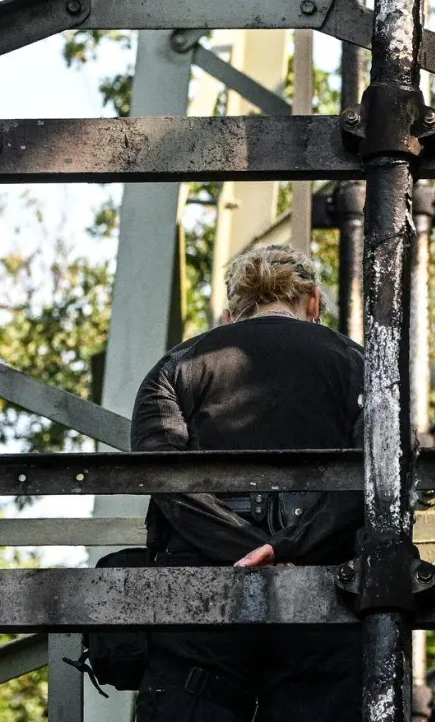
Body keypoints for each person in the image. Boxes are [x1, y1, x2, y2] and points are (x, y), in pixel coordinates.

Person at [131, 244, 365, 722]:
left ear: (230, 312)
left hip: (202, 598)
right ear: (314, 303)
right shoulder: (363, 367)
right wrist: (287, 547)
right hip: (326, 594)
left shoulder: (175, 369)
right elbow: (378, 478)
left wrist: (249, 548)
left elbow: (166, 482)